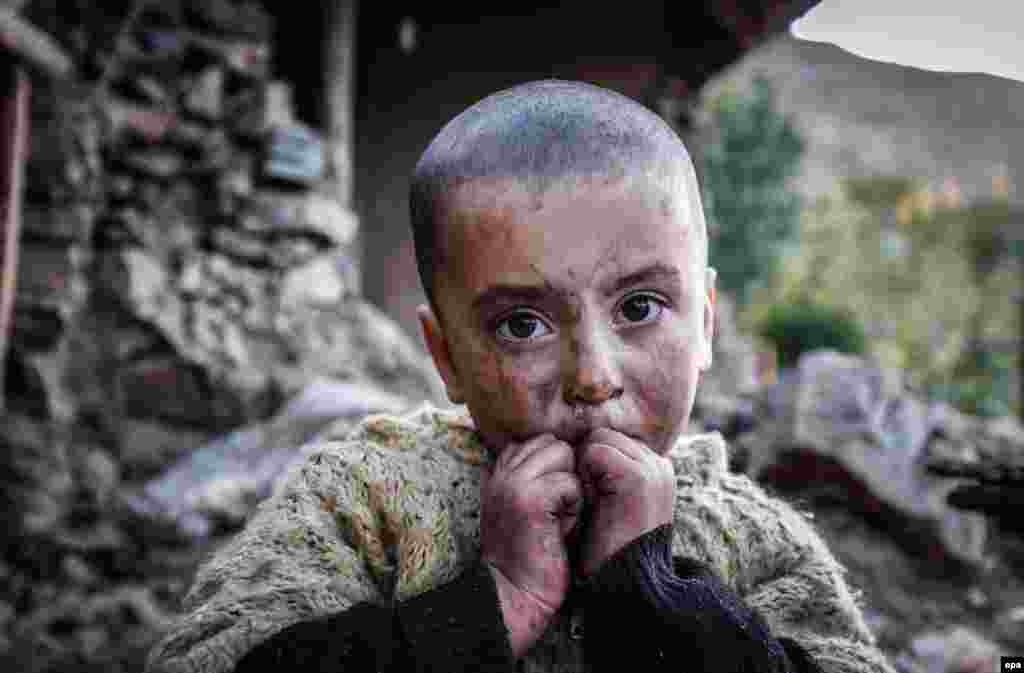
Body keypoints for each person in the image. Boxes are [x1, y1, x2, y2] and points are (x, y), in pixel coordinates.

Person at [146, 80, 895, 673]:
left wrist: (659, 599)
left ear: (703, 325)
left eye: (640, 306)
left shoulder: (758, 540)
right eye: (522, 325)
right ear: (445, 358)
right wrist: (493, 603)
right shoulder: (361, 500)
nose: (593, 376)